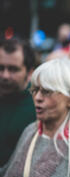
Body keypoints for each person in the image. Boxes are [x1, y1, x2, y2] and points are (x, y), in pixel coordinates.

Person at [0, 37, 37, 167]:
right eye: (1, 68)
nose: (5, 75)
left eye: (13, 69)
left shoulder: (39, 104)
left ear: (30, 72)